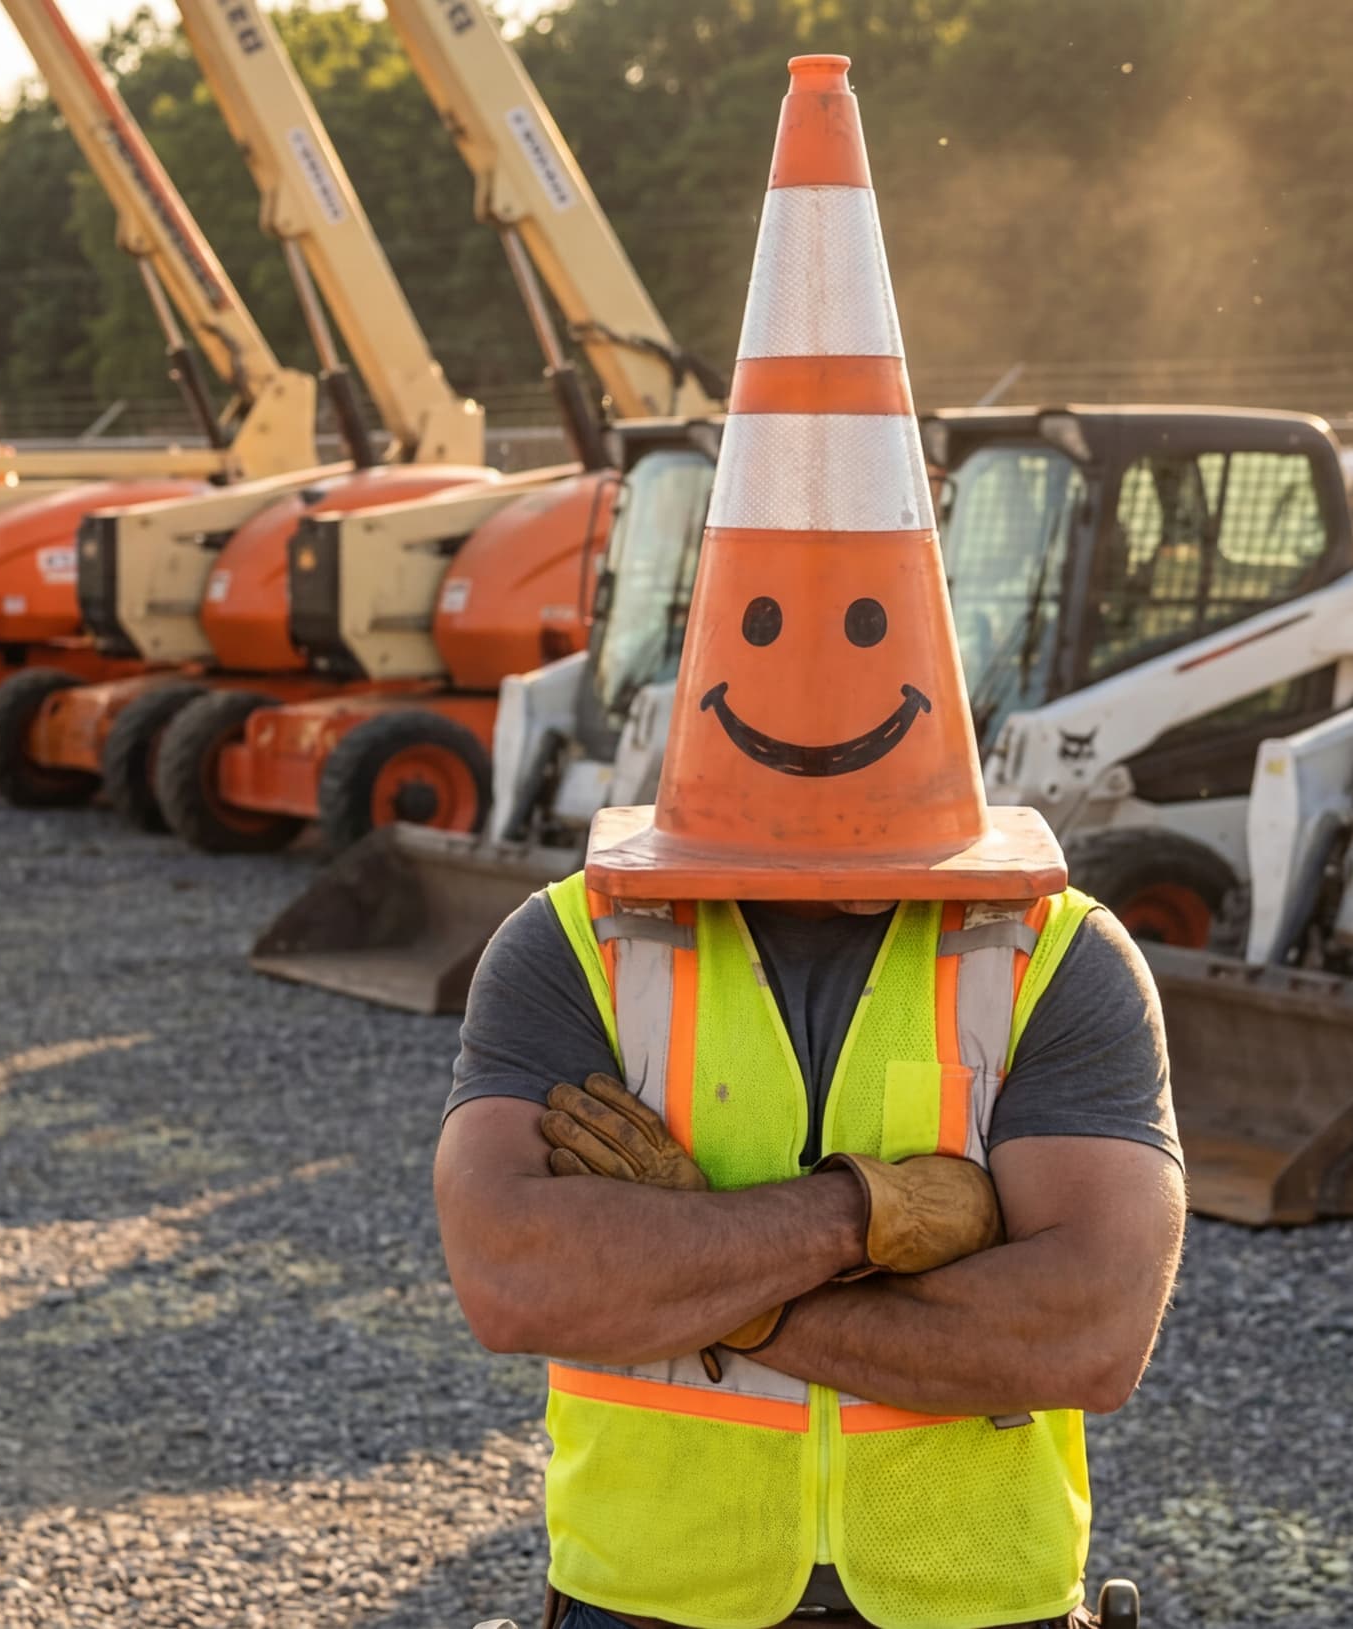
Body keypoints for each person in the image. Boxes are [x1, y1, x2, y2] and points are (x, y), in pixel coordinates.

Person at [431, 54, 1186, 1629]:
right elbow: (515, 1278)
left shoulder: (1058, 957)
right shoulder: (570, 944)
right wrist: (863, 1218)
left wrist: (693, 1270)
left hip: (966, 1604)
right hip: (658, 1600)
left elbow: (1086, 1332)